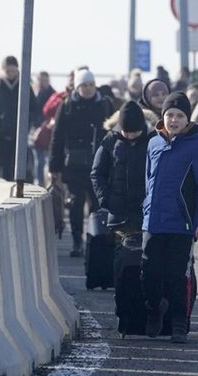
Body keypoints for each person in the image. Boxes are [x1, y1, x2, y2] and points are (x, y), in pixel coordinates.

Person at [141, 91, 198, 343]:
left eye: (179, 115)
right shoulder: (153, 143)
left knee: (177, 276)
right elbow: (148, 180)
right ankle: (153, 309)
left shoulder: (197, 146)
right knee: (149, 272)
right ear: (163, 117)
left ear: (188, 119)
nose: (174, 120)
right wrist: (146, 209)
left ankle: (178, 324)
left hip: (182, 224)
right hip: (153, 221)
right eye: (170, 115)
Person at [49, 69, 114, 257]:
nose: (88, 89)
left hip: (99, 164)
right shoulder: (67, 105)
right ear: (77, 87)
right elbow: (57, 137)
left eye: (91, 85)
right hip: (74, 166)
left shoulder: (104, 104)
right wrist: (55, 167)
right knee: (76, 203)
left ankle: (94, 240)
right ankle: (77, 240)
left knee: (97, 205)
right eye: (84, 85)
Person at [91, 101, 151, 234]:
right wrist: (106, 199)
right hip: (118, 214)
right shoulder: (110, 140)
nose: (130, 136)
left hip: (146, 214)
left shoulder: (153, 141)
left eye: (134, 132)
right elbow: (97, 173)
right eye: (126, 132)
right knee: (121, 252)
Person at [0, 56, 39, 180]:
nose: (11, 74)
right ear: (3, 71)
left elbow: (34, 109)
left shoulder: (25, 86)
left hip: (20, 135)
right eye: (8, 71)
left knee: (19, 167)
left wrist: (26, 122)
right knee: (1, 166)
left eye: (13, 70)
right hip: (0, 134)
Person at [103, 78, 168, 133]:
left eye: (164, 94)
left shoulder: (174, 115)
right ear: (147, 97)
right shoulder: (137, 115)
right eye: (155, 95)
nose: (161, 97)